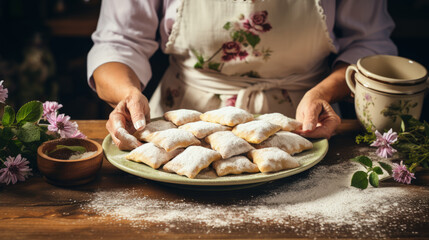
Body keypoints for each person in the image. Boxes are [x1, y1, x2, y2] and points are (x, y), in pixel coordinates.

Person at [87, 0, 397, 150]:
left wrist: (324, 93)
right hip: (179, 126)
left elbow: (368, 44)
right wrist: (127, 93)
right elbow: (118, 41)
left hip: (305, 127)